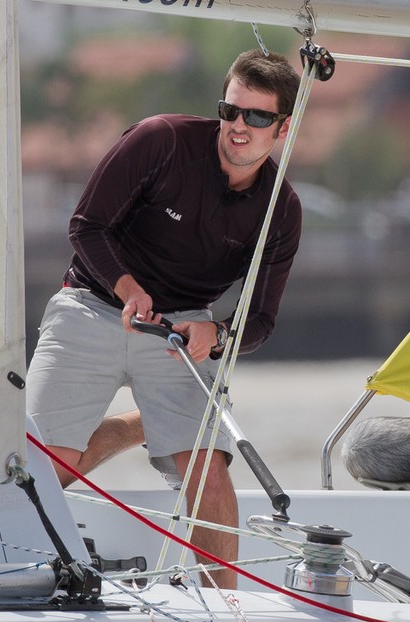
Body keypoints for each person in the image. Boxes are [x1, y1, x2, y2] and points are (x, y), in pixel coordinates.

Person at [26, 49, 303, 589]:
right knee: (46, 470)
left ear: (283, 126)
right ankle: (144, 425)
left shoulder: (281, 209)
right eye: (230, 110)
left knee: (209, 474)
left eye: (257, 117)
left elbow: (262, 320)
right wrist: (128, 289)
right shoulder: (161, 140)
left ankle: (230, 612)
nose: (238, 126)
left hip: (184, 332)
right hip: (90, 305)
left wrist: (216, 334)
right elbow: (86, 226)